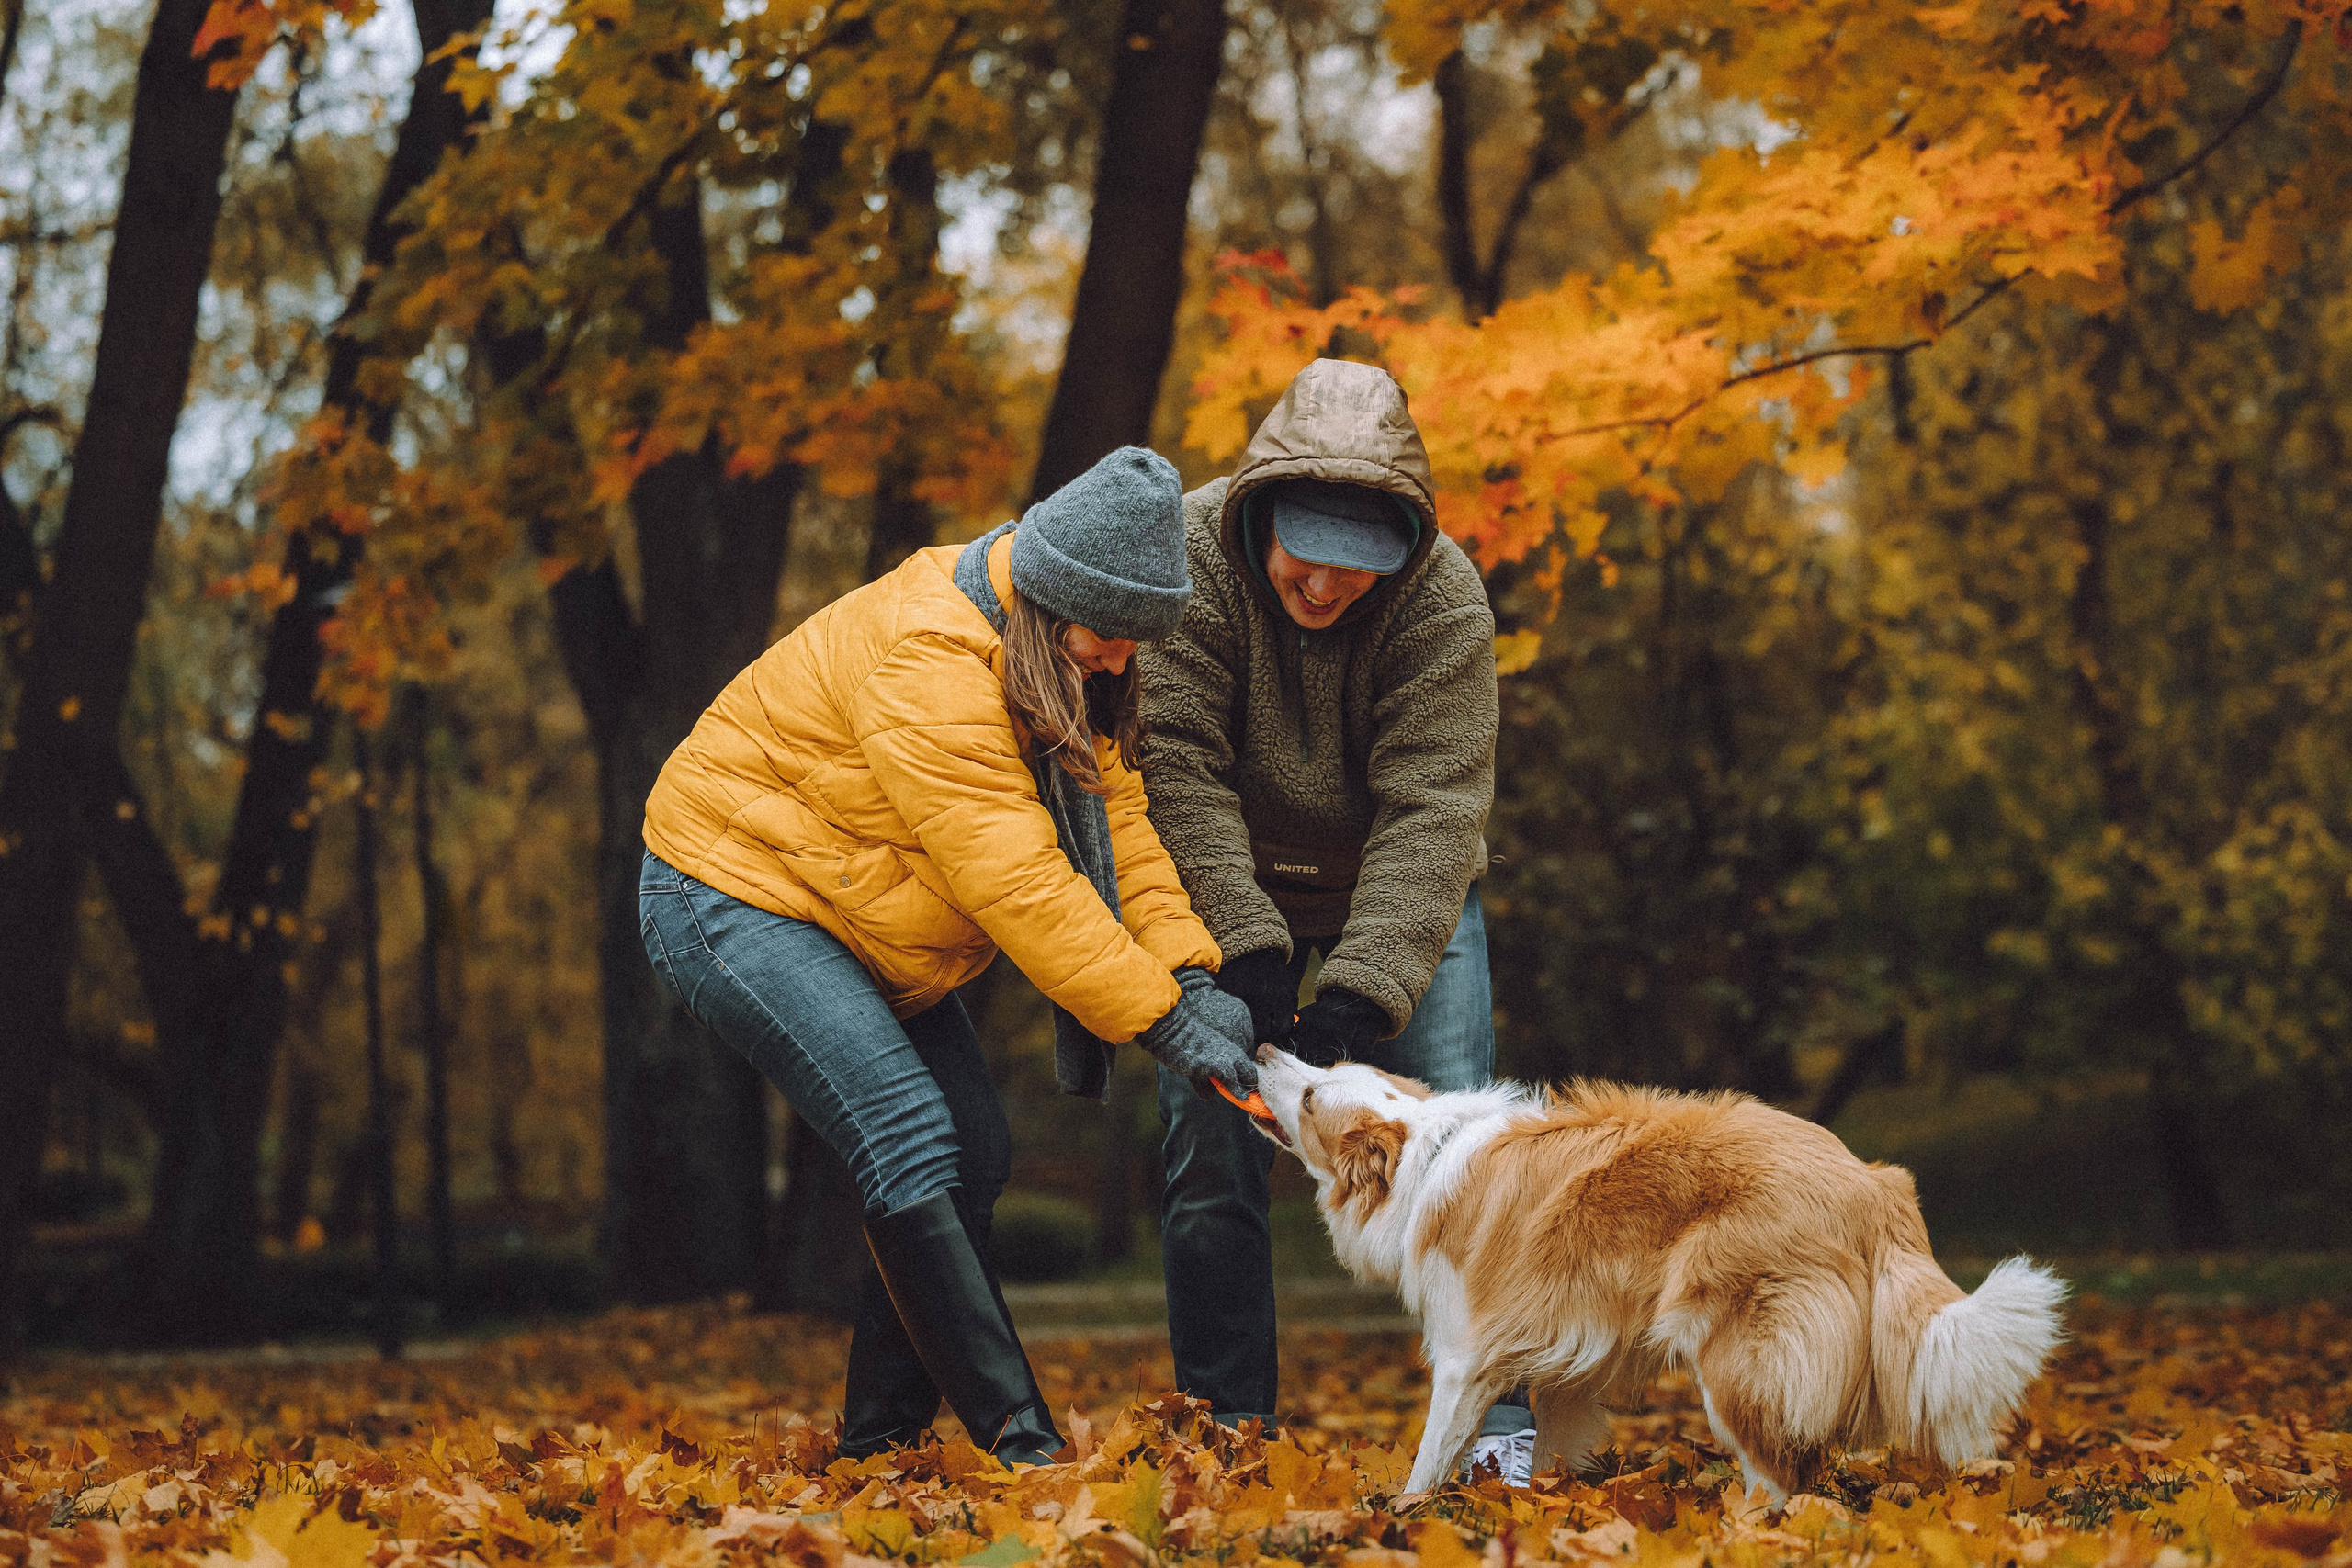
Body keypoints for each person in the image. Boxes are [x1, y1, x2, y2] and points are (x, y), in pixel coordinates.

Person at [638, 446, 1260, 1467]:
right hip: (727, 888)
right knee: (910, 1134)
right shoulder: (931, 660)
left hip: (857, 909)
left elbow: (1121, 833)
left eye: (1134, 645)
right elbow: (1022, 885)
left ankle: (879, 1450)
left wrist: (1191, 974)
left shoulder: (1057, 665)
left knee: (975, 1146)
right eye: (1108, 639)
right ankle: (1026, 1451)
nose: (1118, 662)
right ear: (1055, 603)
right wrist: (1166, 1024)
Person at [1136, 359, 1536, 1478]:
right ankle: (1226, 1428)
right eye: (1304, 554)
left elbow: (1435, 807)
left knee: (1470, 1147)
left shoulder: (1442, 601)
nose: (1324, 584)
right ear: (1261, 511)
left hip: (1393, 884)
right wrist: (1247, 954)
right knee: (1208, 1149)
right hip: (1225, 882)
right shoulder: (1187, 562)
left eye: (1355, 563)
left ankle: (1497, 1430)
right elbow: (1176, 767)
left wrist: (1358, 996)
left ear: (1399, 545)